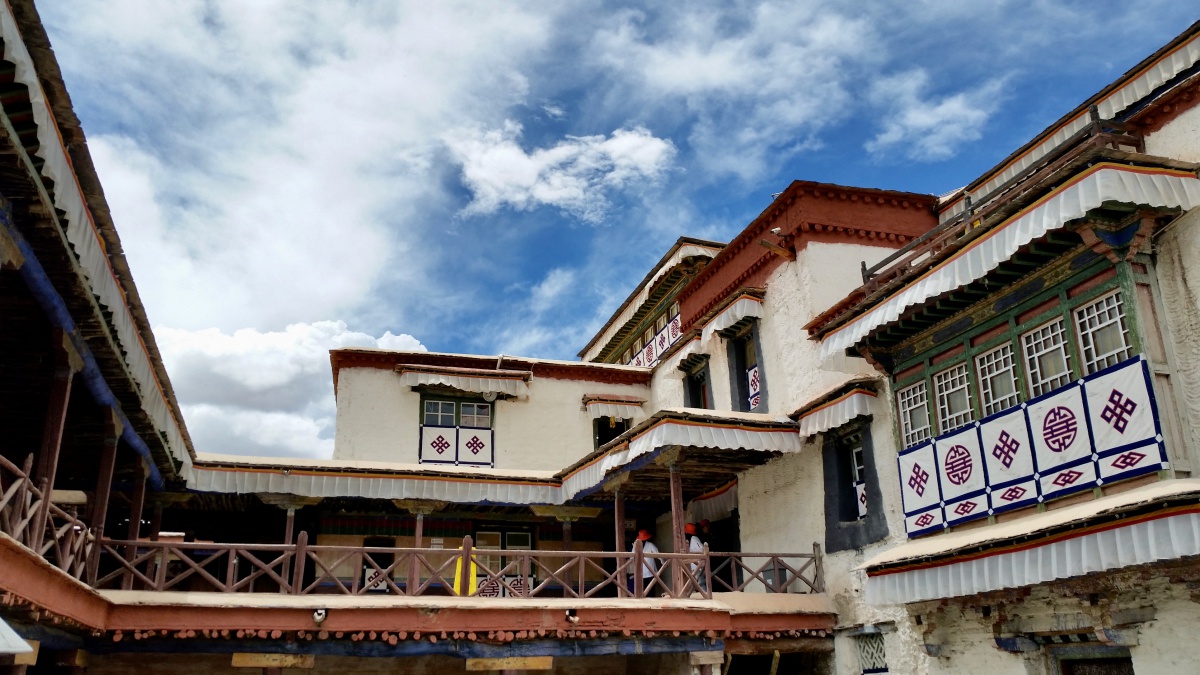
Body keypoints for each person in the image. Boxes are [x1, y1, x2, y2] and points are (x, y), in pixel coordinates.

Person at [630, 529, 660, 595]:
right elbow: (658, 555)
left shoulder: (649, 545)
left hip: (647, 572)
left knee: (647, 590)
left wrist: (663, 563)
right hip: (643, 572)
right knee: (646, 591)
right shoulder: (637, 546)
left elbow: (631, 558)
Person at [685, 523, 706, 592]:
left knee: (700, 583)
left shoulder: (693, 539)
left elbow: (701, 548)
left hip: (696, 565)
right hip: (695, 565)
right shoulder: (691, 539)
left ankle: (705, 595)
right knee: (698, 584)